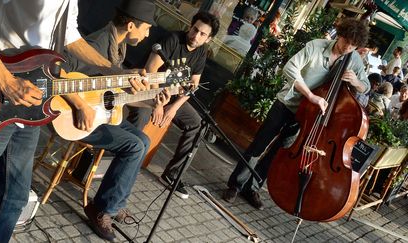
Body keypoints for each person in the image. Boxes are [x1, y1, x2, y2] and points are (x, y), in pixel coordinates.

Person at [0, 0, 145, 242]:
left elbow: (68, 36)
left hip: (30, 106)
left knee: (14, 197)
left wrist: (112, 71)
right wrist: (5, 80)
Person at [223, 17, 370, 210]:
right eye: (345, 42)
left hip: (309, 117)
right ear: (339, 35)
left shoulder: (354, 59)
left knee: (279, 153)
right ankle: (235, 184)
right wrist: (310, 96)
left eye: (352, 47)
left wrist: (356, 82)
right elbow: (290, 68)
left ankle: (252, 187)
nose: (347, 48)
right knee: (259, 145)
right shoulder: (316, 46)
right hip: (288, 104)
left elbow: (365, 87)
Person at [60, 1, 168, 241]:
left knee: (143, 139)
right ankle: (102, 209)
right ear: (131, 25)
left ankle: (114, 203)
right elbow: (59, 72)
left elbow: (115, 96)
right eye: (146, 28)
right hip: (74, 117)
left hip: (100, 113)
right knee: (134, 146)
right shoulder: (98, 44)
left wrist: (153, 99)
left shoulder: (117, 45)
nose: (148, 34)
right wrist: (80, 106)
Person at [127, 12, 220, 199]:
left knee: (198, 124)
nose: (196, 36)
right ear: (190, 26)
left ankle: (172, 175)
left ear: (208, 39)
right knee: (142, 118)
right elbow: (151, 70)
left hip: (171, 96)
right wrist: (158, 105)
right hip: (147, 91)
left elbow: (193, 85)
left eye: (202, 34)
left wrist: (174, 107)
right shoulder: (172, 39)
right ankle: (123, 164)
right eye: (195, 29)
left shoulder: (201, 52)